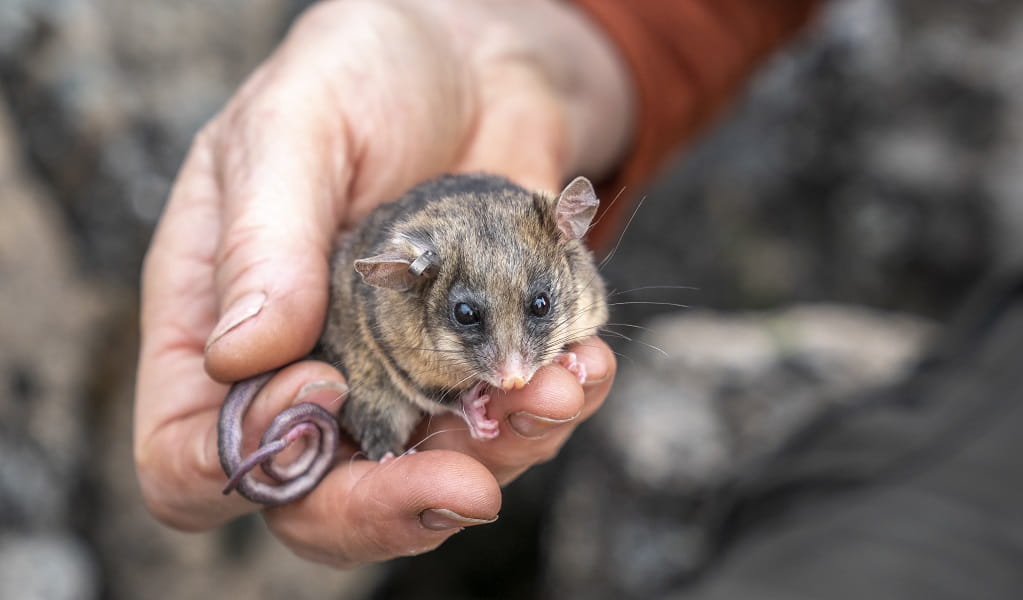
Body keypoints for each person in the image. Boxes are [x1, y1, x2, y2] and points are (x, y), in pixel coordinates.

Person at [134, 0, 817, 568]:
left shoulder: (556, 250)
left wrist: (557, 346)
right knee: (383, 410)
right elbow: (401, 352)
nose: (515, 368)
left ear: (566, 234)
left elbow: (584, 310)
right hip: (377, 365)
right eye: (468, 318)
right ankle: (359, 437)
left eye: (539, 308)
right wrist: (458, 404)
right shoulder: (400, 287)